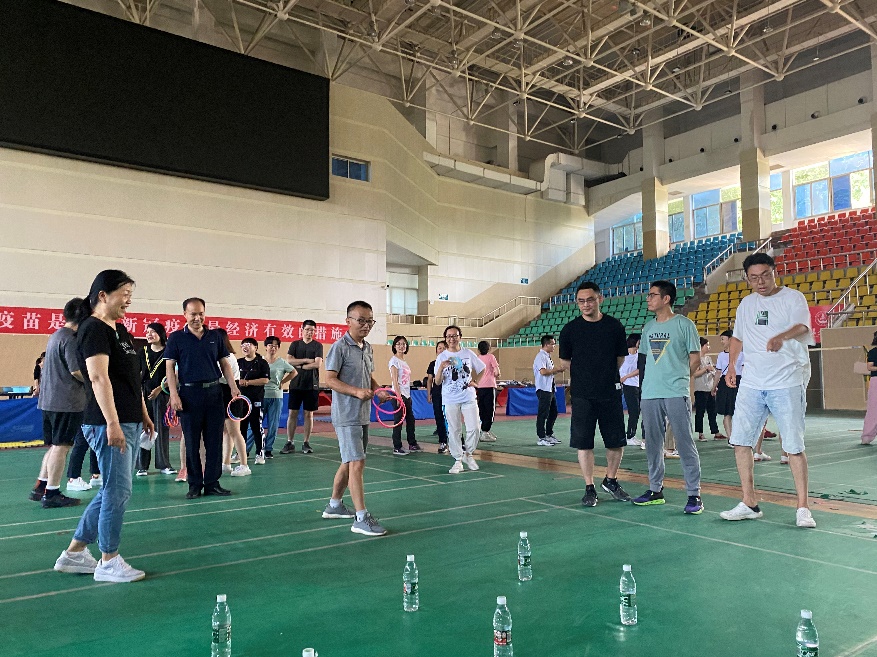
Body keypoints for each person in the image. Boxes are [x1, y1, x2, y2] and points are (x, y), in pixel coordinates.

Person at [53, 270, 153, 583]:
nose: (129, 300)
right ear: (102, 295)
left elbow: (131, 378)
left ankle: (74, 553)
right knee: (117, 491)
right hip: (107, 422)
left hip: (129, 420)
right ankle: (108, 560)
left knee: (113, 489)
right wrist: (112, 423)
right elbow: (98, 378)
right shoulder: (93, 329)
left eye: (130, 294)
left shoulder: (120, 331)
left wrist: (143, 412)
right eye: (124, 294)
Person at [719, 253, 817, 528]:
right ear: (747, 279)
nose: (760, 282)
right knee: (740, 442)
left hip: (786, 381)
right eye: (754, 278)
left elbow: (802, 326)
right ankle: (749, 502)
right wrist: (731, 367)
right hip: (752, 382)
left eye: (765, 275)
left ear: (774, 272)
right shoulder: (746, 304)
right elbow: (737, 337)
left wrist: (780, 337)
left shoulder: (793, 298)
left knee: (793, 446)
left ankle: (803, 508)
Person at [632, 280, 704, 515]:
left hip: (675, 392)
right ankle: (655, 490)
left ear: (666, 299)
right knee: (653, 444)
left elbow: (695, 359)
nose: (648, 299)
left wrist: (680, 377)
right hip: (650, 394)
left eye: (653, 295)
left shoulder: (684, 325)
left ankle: (694, 494)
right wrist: (645, 387)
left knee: (684, 443)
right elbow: (644, 360)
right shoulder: (648, 328)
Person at [558, 282, 631, 507]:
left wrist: (604, 375)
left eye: (590, 300)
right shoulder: (569, 330)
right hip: (582, 395)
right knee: (584, 443)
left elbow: (620, 358)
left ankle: (611, 480)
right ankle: (589, 487)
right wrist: (586, 376)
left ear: (600, 299)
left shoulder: (614, 327)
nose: (586, 304)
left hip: (609, 392)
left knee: (615, 441)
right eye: (581, 301)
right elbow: (565, 362)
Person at [322, 300, 390, 536]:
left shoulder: (367, 347)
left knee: (349, 461)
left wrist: (378, 390)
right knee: (357, 463)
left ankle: (334, 505)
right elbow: (329, 379)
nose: (366, 325)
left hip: (362, 414)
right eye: (361, 320)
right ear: (348, 321)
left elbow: (367, 376)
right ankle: (361, 518)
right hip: (346, 414)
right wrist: (356, 392)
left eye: (370, 321)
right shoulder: (339, 347)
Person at [164, 297, 239, 499]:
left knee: (214, 441)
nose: (197, 318)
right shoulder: (176, 338)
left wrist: (233, 387)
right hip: (189, 395)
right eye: (193, 314)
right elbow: (169, 368)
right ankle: (195, 484)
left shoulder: (215, 336)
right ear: (184, 314)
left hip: (214, 394)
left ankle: (212, 483)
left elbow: (225, 364)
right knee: (192, 442)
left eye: (201, 314)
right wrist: (174, 394)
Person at [29, 298, 86, 508]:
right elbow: (76, 370)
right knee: (61, 447)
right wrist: (95, 380)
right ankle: (52, 493)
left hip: (50, 401)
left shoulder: (56, 335)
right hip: (66, 402)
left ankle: (41, 486)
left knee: (55, 446)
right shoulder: (71, 339)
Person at [435, 325, 485, 474]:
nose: (452, 339)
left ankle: (468, 454)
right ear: (445, 339)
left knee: (475, 427)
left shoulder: (468, 353)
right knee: (454, 430)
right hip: (450, 399)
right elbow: (437, 382)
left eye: (455, 336)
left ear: (460, 337)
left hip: (468, 396)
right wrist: (441, 368)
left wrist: (476, 381)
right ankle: (458, 459)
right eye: (449, 336)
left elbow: (482, 368)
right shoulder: (441, 357)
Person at [136, 323, 175, 476]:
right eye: (147, 332)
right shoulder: (143, 351)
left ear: (161, 334)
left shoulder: (169, 351)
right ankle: (142, 466)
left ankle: (164, 464)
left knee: (161, 429)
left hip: (162, 393)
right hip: (145, 394)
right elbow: (137, 373)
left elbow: (173, 374)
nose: (149, 334)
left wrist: (160, 388)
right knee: (144, 429)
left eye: (153, 332)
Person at [280, 320, 323, 455]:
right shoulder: (295, 344)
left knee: (308, 414)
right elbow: (289, 360)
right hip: (296, 384)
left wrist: (300, 366)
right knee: (292, 413)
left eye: (312, 330)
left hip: (311, 384)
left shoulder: (317, 345)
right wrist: (306, 360)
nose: (310, 332)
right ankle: (290, 442)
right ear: (302, 330)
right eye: (307, 329)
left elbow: (317, 364)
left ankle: (306, 442)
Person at [234, 337, 269, 472]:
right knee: (240, 428)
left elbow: (265, 380)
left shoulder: (262, 362)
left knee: (256, 426)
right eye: (243, 345)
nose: (245, 347)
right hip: (240, 400)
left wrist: (248, 383)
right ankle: (240, 454)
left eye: (248, 345)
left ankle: (260, 453)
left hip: (255, 399)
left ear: (256, 347)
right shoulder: (238, 362)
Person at [260, 336, 297, 459]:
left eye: (276, 346)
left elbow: (294, 372)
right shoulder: (260, 360)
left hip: (276, 396)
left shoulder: (281, 362)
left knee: (273, 424)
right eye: (270, 345)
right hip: (261, 396)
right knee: (255, 424)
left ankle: (268, 449)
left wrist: (283, 382)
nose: (273, 348)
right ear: (266, 347)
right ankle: (247, 449)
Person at [388, 335, 422, 455]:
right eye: (398, 344)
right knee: (398, 421)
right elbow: (395, 380)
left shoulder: (404, 362)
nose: (401, 346)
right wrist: (398, 397)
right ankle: (397, 446)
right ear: (394, 346)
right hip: (399, 394)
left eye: (403, 344)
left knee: (410, 420)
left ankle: (412, 443)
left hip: (407, 395)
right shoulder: (394, 361)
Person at [533, 335, 563, 446]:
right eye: (552, 344)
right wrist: (556, 369)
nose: (554, 346)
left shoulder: (547, 357)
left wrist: (558, 370)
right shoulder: (540, 356)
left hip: (550, 388)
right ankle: (541, 437)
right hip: (543, 389)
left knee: (553, 412)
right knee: (543, 413)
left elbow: (550, 372)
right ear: (546, 344)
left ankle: (549, 434)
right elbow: (543, 372)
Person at [693, 337, 721, 442]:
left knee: (712, 411)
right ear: (701, 346)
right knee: (700, 412)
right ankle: (700, 433)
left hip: (710, 389)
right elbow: (695, 374)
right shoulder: (696, 359)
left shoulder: (708, 358)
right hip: (700, 389)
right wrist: (705, 369)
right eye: (707, 345)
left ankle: (716, 432)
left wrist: (715, 385)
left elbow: (713, 371)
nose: (709, 347)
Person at [712, 329, 739, 441]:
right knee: (727, 413)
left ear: (730, 340)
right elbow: (718, 373)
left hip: (738, 382)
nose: (722, 342)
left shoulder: (741, 354)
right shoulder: (721, 355)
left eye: (723, 339)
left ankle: (739, 437)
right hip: (724, 384)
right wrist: (714, 387)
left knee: (738, 412)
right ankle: (731, 438)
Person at [476, 341, 501, 442]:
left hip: (480, 386)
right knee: (490, 409)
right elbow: (497, 372)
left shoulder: (477, 358)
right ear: (489, 349)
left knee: (482, 408)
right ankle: (485, 431)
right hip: (490, 386)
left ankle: (483, 430)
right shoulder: (491, 357)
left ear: (478, 349)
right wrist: (496, 374)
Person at [619, 333, 642, 446]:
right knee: (634, 411)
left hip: (637, 385)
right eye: (639, 341)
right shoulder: (624, 355)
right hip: (628, 386)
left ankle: (632, 434)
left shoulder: (639, 355)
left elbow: (640, 369)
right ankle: (629, 436)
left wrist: (626, 376)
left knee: (637, 411)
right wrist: (622, 378)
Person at [426, 341, 449, 453]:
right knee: (439, 418)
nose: (441, 350)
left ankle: (460, 441)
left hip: (450, 394)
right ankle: (443, 442)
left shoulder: (452, 363)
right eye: (439, 348)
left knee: (452, 418)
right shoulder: (433, 364)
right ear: (436, 350)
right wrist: (429, 394)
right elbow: (430, 380)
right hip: (437, 394)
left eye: (444, 348)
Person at [861, 330, 877, 445]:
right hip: (876, 380)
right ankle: (867, 436)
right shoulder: (873, 352)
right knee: (873, 409)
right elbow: (869, 367)